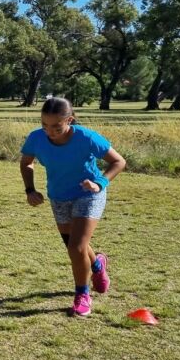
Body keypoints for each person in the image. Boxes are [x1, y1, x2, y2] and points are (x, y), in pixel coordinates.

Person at [20, 97, 126, 317]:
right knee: (75, 245)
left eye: (56, 126)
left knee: (76, 247)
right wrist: (30, 189)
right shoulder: (36, 138)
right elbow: (26, 162)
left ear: (70, 119)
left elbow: (118, 162)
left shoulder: (86, 137)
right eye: (45, 125)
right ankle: (97, 265)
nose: (50, 131)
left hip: (89, 194)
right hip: (58, 197)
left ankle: (82, 295)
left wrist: (100, 183)